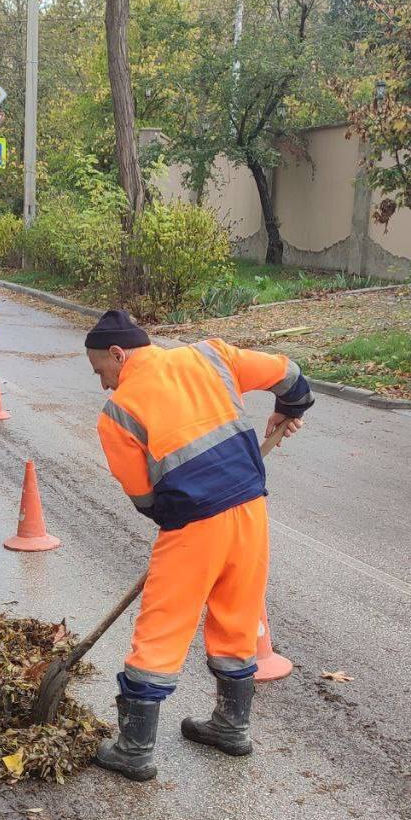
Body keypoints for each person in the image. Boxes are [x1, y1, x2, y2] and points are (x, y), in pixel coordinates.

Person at [87, 310, 313, 782]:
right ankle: (232, 726)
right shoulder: (211, 355)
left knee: (162, 627)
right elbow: (288, 374)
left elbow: (145, 499)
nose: (104, 385)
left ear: (117, 354)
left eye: (101, 372)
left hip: (193, 526)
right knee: (237, 616)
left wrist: (179, 525)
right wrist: (290, 408)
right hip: (251, 511)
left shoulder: (118, 413)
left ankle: (134, 748)